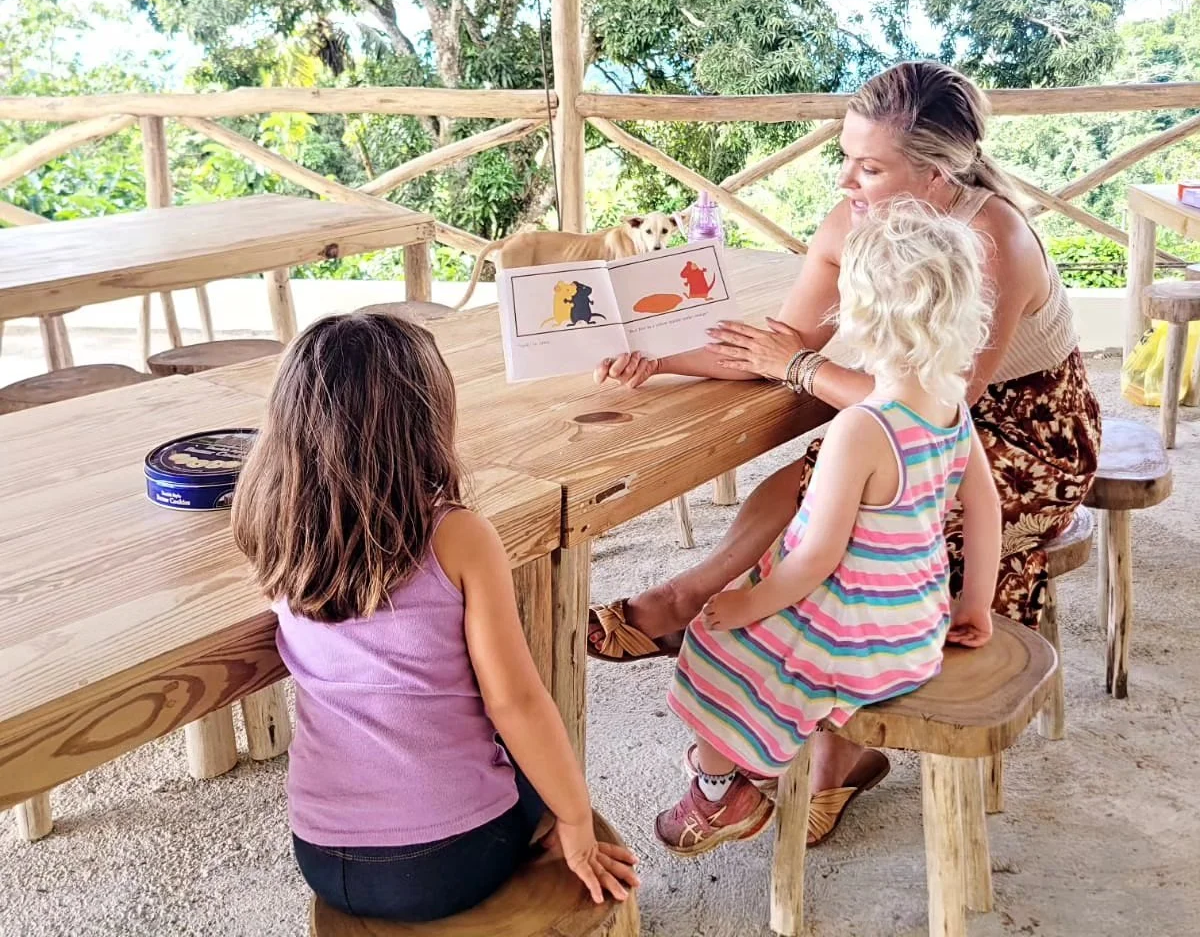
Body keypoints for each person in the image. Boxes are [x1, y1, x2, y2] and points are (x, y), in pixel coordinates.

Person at [589, 60, 1101, 846]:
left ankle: (826, 751)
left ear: (935, 172)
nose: (847, 179)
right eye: (846, 156)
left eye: (870, 166)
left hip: (1026, 427)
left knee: (859, 523)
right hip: (916, 408)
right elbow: (777, 343)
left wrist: (795, 369)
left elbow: (944, 395)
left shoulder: (988, 236)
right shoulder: (849, 219)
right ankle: (690, 603)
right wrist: (658, 357)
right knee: (816, 481)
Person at [232, 311, 638, 922]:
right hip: (452, 860)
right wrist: (575, 818)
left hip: (319, 852)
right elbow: (516, 703)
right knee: (519, 748)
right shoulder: (458, 537)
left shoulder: (271, 527)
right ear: (427, 423)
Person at [654, 200, 1001, 853]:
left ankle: (717, 787)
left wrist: (744, 601)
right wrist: (974, 603)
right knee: (760, 622)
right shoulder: (950, 405)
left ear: (859, 316)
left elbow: (813, 561)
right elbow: (984, 511)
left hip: (858, 635)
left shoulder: (862, 428)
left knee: (719, 644)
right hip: (916, 624)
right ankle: (762, 764)